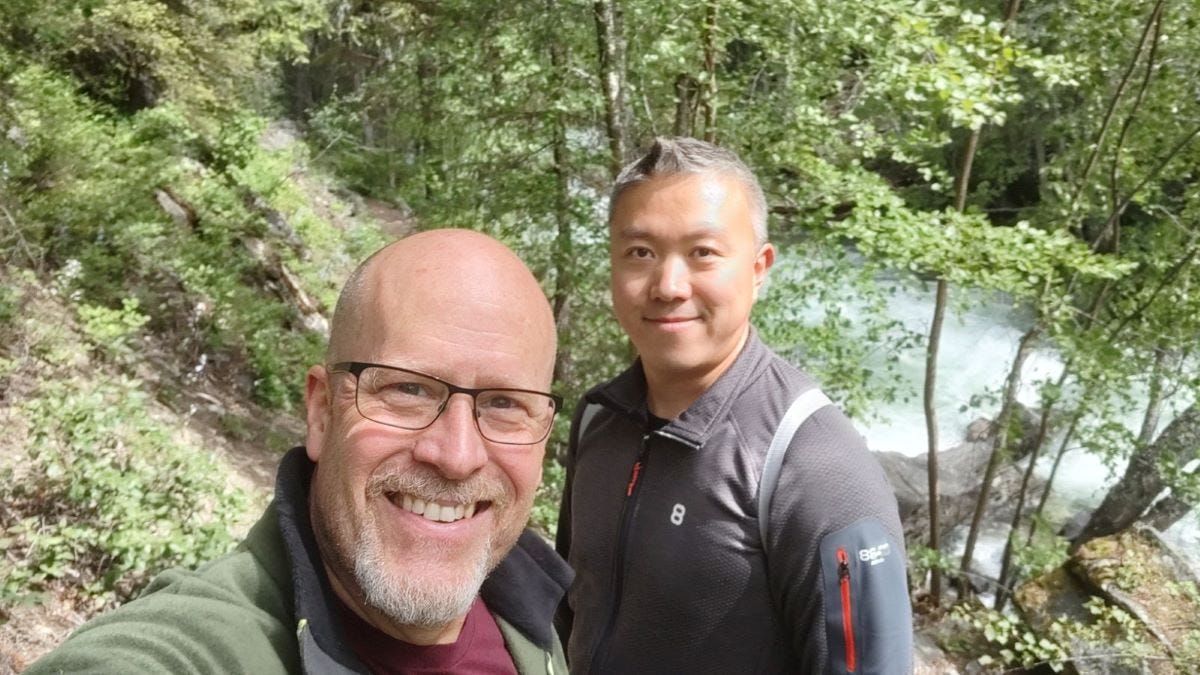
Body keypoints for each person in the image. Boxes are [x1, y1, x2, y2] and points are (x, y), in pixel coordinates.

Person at [29, 229, 572, 674]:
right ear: (321, 411)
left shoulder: (527, 612)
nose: (456, 456)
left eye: (505, 403)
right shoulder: (194, 652)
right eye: (407, 389)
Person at [555, 137, 913, 674]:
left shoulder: (814, 465)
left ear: (759, 267)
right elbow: (572, 606)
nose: (668, 285)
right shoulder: (600, 418)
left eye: (703, 253)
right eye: (640, 253)